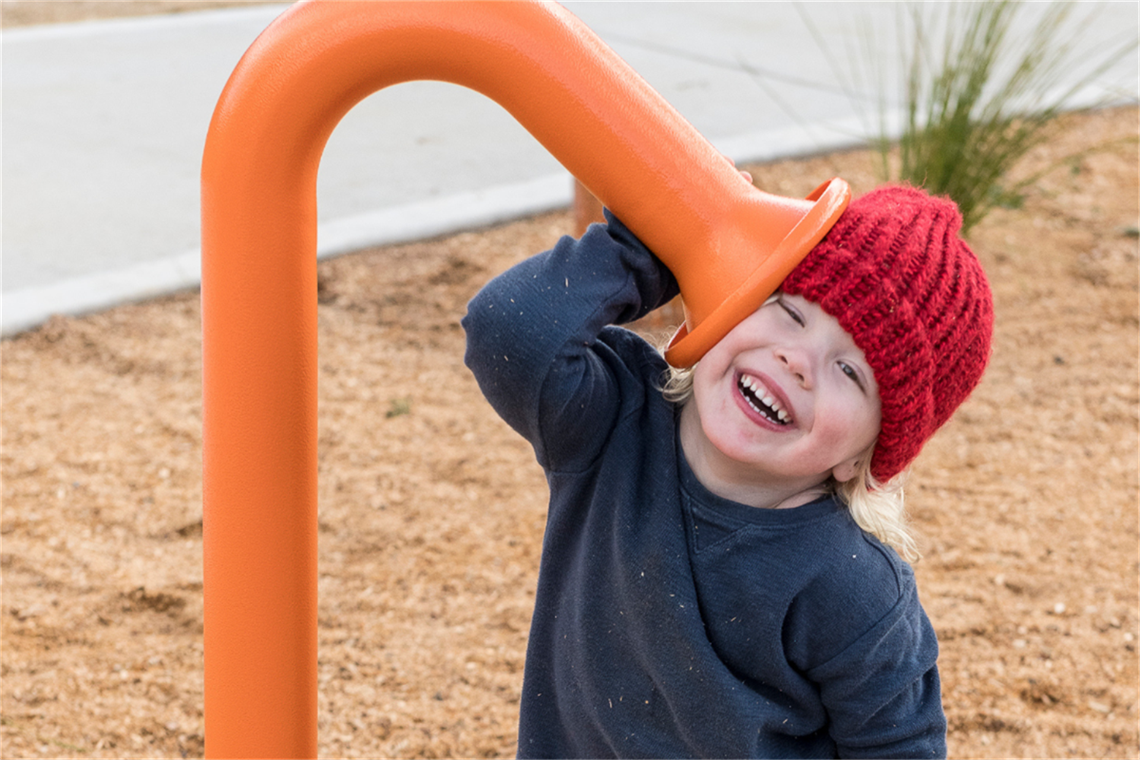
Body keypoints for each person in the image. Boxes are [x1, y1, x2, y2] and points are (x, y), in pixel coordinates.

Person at [462, 182, 993, 759]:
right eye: (789, 311)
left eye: (850, 371)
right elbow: (508, 331)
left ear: (863, 457)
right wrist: (653, 250)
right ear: (732, 295)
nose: (798, 360)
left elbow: (900, 749)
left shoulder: (852, 587)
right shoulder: (613, 421)